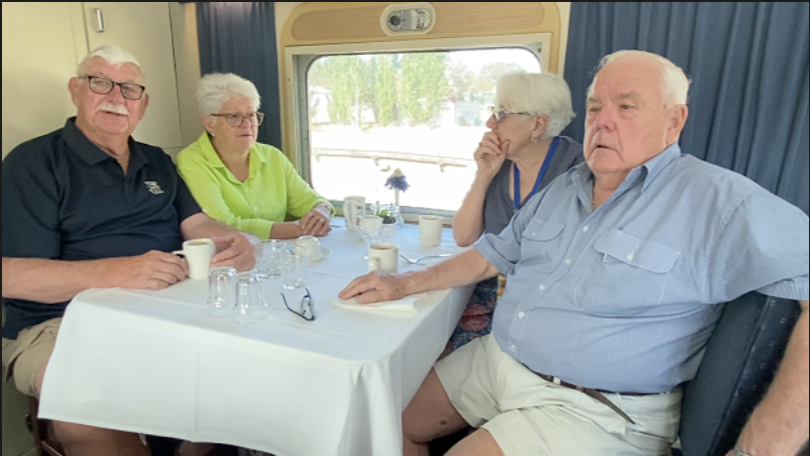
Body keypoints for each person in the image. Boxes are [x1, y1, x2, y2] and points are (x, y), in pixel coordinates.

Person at [339, 50, 809, 456]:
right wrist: (401, 283)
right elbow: (490, 253)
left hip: (596, 406)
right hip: (499, 359)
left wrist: (768, 441)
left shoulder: (720, 202)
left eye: (627, 107)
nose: (603, 120)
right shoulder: (566, 186)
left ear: (674, 120)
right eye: (595, 106)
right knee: (387, 422)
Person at [1, 45, 257, 456]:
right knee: (82, 402)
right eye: (101, 82)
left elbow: (197, 225)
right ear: (76, 90)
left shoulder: (156, 161)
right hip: (56, 322)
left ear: (144, 104)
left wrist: (237, 240)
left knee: (250, 354)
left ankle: (191, 447)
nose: (117, 97)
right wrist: (116, 272)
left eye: (130, 89)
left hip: (167, 306)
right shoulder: (33, 163)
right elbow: (10, 276)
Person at [448, 72, 583, 353]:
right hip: (494, 289)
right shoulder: (500, 165)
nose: (489, 123)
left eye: (501, 114)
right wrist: (483, 174)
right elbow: (463, 236)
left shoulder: (578, 170)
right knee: (435, 347)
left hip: (545, 301)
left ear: (538, 124)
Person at [176, 72, 333, 241]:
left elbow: (310, 200)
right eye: (234, 116)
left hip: (277, 255)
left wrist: (321, 211)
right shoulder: (191, 160)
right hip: (227, 260)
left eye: (251, 114)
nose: (247, 124)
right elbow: (221, 224)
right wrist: (299, 229)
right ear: (209, 124)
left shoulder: (272, 156)